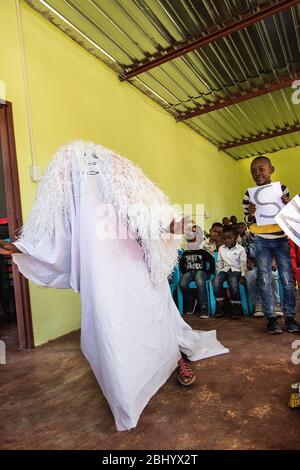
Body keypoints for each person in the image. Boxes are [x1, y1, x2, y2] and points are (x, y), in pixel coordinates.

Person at [0, 141, 228, 431]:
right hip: (103, 274)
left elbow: (154, 211)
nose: (89, 168)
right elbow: (55, 229)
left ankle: (173, 359)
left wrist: (173, 224)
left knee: (156, 318)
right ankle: (126, 395)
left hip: (139, 266)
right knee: (113, 332)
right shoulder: (68, 183)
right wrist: (23, 248)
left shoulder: (123, 175)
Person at [243, 156, 299, 334]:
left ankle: (290, 318)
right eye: (253, 171)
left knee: (287, 279)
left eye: (261, 169)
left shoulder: (281, 189)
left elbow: (289, 215)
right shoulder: (248, 194)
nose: (257, 173)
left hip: (281, 238)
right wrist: (251, 214)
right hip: (260, 240)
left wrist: (288, 205)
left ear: (271, 169)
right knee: (264, 279)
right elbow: (247, 220)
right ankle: (271, 318)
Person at [213, 226, 247, 319]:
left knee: (233, 282)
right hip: (225, 270)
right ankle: (221, 305)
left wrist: (243, 276)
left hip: (236, 270)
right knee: (216, 281)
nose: (227, 240)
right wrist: (219, 273)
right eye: (225, 238)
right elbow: (219, 262)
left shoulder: (240, 249)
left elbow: (243, 264)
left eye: (230, 238)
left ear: (236, 237)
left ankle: (236, 306)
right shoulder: (221, 249)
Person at [179, 248, 215, 318]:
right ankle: (191, 302)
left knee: (200, 282)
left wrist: (211, 272)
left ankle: (204, 307)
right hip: (189, 272)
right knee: (182, 284)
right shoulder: (185, 253)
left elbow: (212, 260)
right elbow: (181, 264)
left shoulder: (202, 252)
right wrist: (184, 272)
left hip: (201, 272)